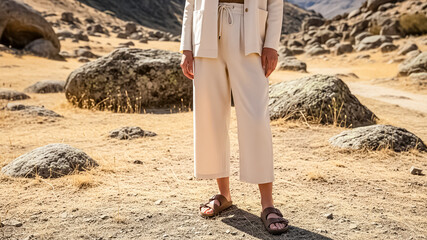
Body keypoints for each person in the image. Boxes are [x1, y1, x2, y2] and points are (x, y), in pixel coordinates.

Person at [179, 0, 288, 235]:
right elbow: (190, 3)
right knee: (211, 117)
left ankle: (267, 204)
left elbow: (275, 3)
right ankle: (224, 194)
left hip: (249, 32)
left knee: (256, 119)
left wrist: (271, 45)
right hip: (205, 33)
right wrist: (186, 47)